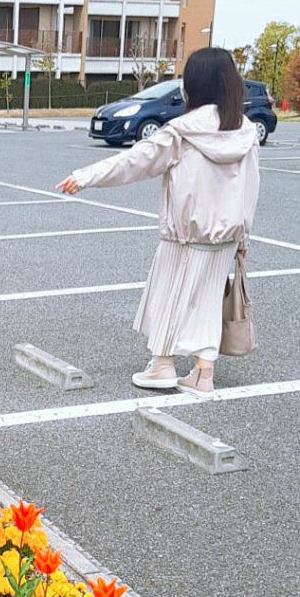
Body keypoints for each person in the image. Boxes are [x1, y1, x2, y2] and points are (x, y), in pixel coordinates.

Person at [56, 48, 259, 395]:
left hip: (184, 236)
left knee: (168, 295)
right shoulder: (246, 132)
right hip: (226, 238)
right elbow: (250, 189)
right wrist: (242, 240)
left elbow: (135, 161)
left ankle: (162, 366)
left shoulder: (182, 132)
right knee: (208, 300)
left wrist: (85, 176)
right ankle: (203, 372)